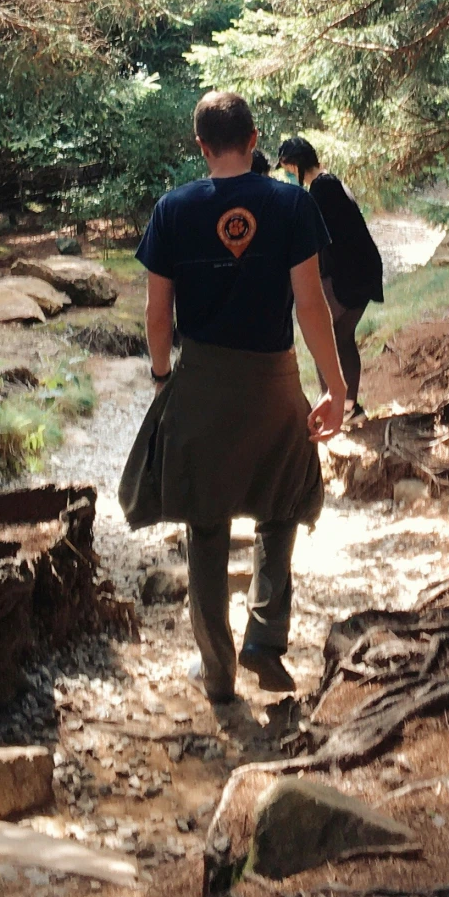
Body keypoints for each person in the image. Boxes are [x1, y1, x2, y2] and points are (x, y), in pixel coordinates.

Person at [118, 91, 350, 704]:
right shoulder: (291, 203)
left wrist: (164, 377)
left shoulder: (173, 209)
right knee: (285, 500)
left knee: (207, 521)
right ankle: (266, 638)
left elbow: (157, 311)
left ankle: (217, 672)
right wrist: (333, 386)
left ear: (202, 145)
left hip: (202, 385)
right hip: (274, 382)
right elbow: (309, 305)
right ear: (254, 142)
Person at [276, 136, 385, 419]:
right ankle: (348, 406)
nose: (286, 174)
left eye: (287, 167)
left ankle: (333, 406)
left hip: (351, 277)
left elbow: (317, 243)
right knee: (341, 337)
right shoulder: (328, 183)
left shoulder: (322, 190)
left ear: (297, 164)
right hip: (362, 273)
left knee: (321, 337)